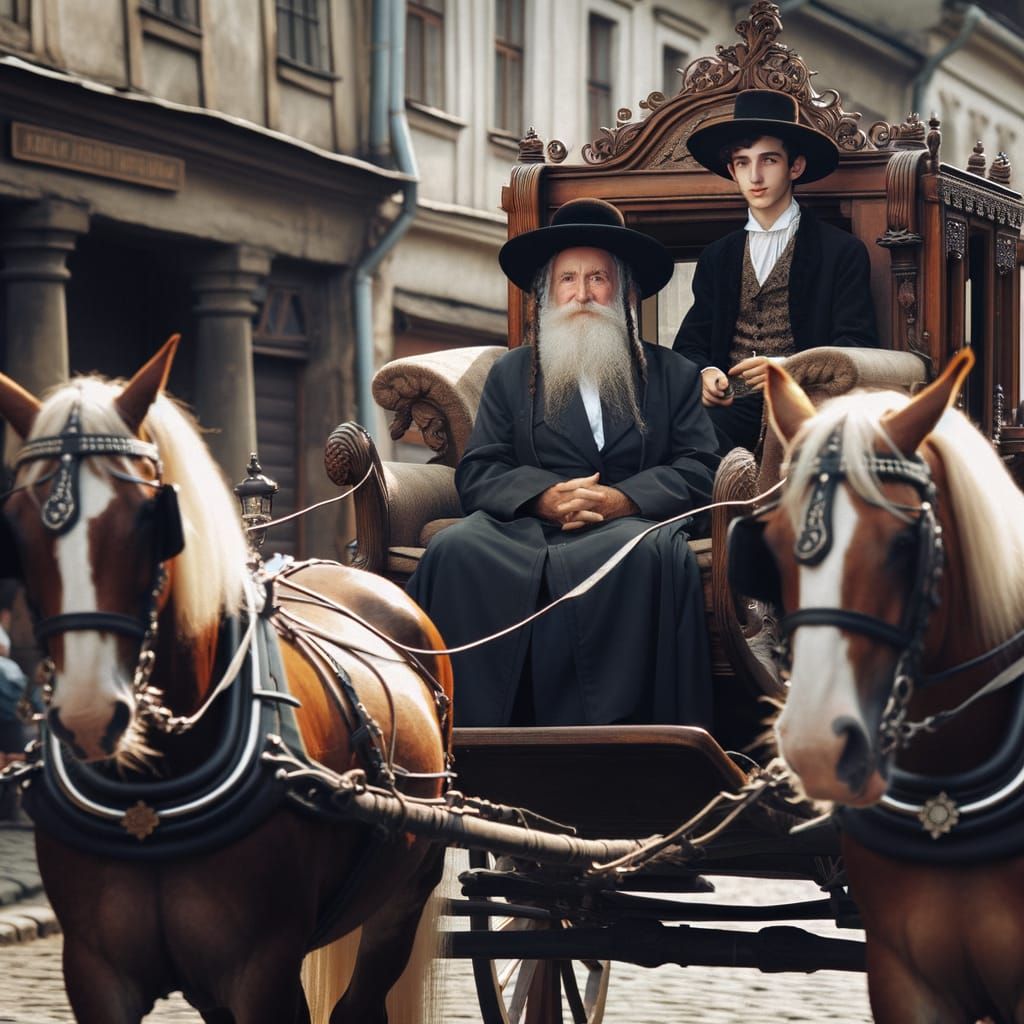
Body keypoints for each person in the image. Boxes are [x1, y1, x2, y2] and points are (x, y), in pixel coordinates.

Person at [407, 198, 720, 728]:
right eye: (567, 280)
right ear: (547, 295)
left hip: (627, 525)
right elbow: (479, 469)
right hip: (526, 527)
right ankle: (463, 731)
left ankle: (619, 740)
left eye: (598, 278)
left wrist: (623, 499)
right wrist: (542, 498)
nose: (582, 294)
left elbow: (701, 467)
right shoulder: (512, 373)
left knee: (647, 557)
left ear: (625, 292)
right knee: (456, 548)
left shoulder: (673, 374)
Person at [674, 89, 879, 453]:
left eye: (768, 160)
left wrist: (790, 367)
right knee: (676, 425)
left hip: (806, 403)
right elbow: (691, 343)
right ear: (732, 171)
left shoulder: (841, 252)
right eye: (742, 162)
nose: (755, 176)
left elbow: (856, 346)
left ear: (794, 167)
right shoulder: (718, 256)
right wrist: (705, 372)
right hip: (728, 407)